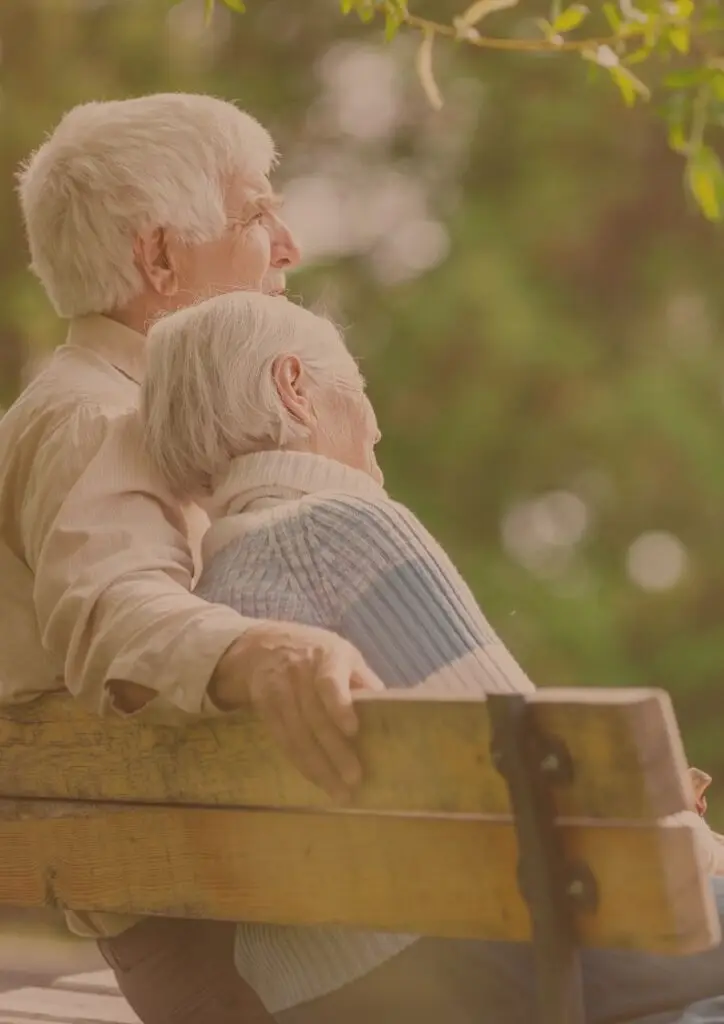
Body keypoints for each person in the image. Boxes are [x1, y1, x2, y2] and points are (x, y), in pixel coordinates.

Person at [136, 288, 724, 1024]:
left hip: (308, 994)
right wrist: (702, 848)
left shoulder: (208, 600)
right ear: (295, 388)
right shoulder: (344, 527)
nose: (376, 422)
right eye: (358, 387)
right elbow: (553, 790)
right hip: (474, 961)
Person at [0, 93, 385, 1024]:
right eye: (258, 214)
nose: (288, 244)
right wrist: (262, 654)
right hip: (239, 945)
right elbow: (114, 608)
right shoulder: (103, 417)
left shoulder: (141, 413)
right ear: (161, 258)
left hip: (256, 906)